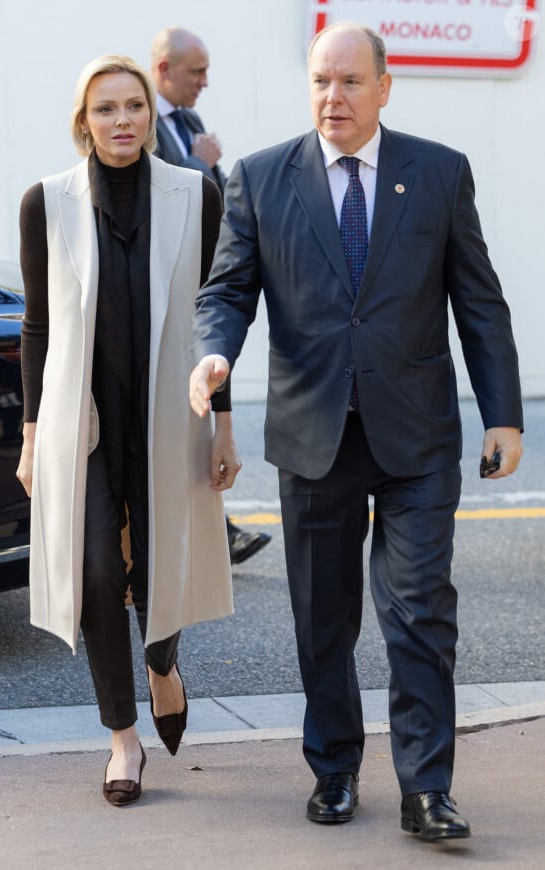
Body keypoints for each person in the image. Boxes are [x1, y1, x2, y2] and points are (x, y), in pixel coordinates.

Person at [189, 22, 523, 839]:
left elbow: (477, 299)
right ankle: (334, 769)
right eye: (319, 82)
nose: (331, 97)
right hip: (314, 435)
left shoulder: (438, 173)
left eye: (347, 82)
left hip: (417, 436)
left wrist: (505, 412)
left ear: (384, 86)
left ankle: (426, 789)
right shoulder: (262, 179)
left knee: (419, 612)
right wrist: (213, 356)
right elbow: (227, 291)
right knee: (324, 617)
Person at [16, 54, 239, 807]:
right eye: (105, 109)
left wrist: (226, 426)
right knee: (97, 575)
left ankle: (164, 665)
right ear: (85, 121)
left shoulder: (196, 194)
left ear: (150, 114)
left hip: (172, 413)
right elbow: (37, 326)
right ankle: (122, 738)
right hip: (82, 420)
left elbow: (216, 316)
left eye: (134, 106)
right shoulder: (45, 202)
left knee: (160, 565)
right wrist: (29, 437)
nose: (122, 121)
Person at [150, 24, 271, 565]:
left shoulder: (191, 122)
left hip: (200, 287)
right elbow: (160, 197)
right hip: (160, 293)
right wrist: (199, 162)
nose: (204, 82)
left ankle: (214, 529)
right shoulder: (141, 119)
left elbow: (215, 197)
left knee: (202, 398)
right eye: (196, 71)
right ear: (164, 70)